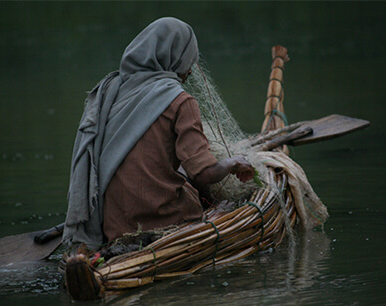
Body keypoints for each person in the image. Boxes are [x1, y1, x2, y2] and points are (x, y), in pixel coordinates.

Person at [63, 17, 254, 251]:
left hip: (114, 225)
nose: (191, 70)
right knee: (201, 195)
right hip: (163, 219)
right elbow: (204, 173)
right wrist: (232, 163)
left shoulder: (112, 92)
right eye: (188, 61)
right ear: (175, 58)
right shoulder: (180, 100)